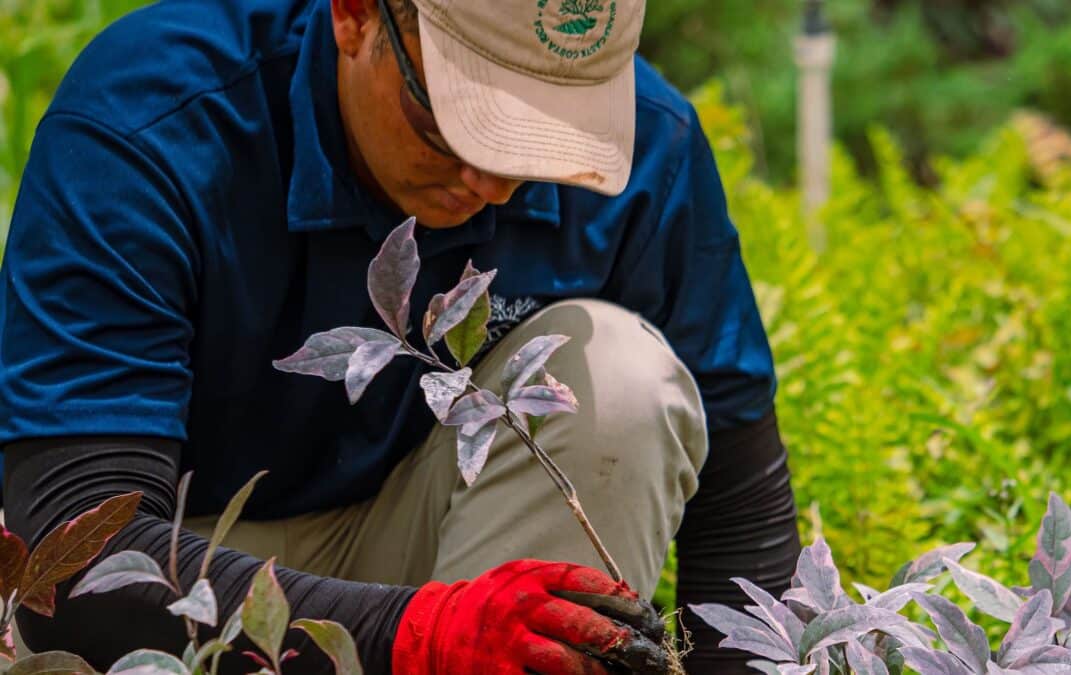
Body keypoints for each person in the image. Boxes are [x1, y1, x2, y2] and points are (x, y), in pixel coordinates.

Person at [0, 0, 800, 672]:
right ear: (355, 15)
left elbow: (739, 513)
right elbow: (72, 557)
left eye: (542, 139)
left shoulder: (648, 146)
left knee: (620, 380)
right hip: (189, 567)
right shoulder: (151, 123)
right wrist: (419, 636)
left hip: (436, 543)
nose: (491, 185)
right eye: (455, 125)